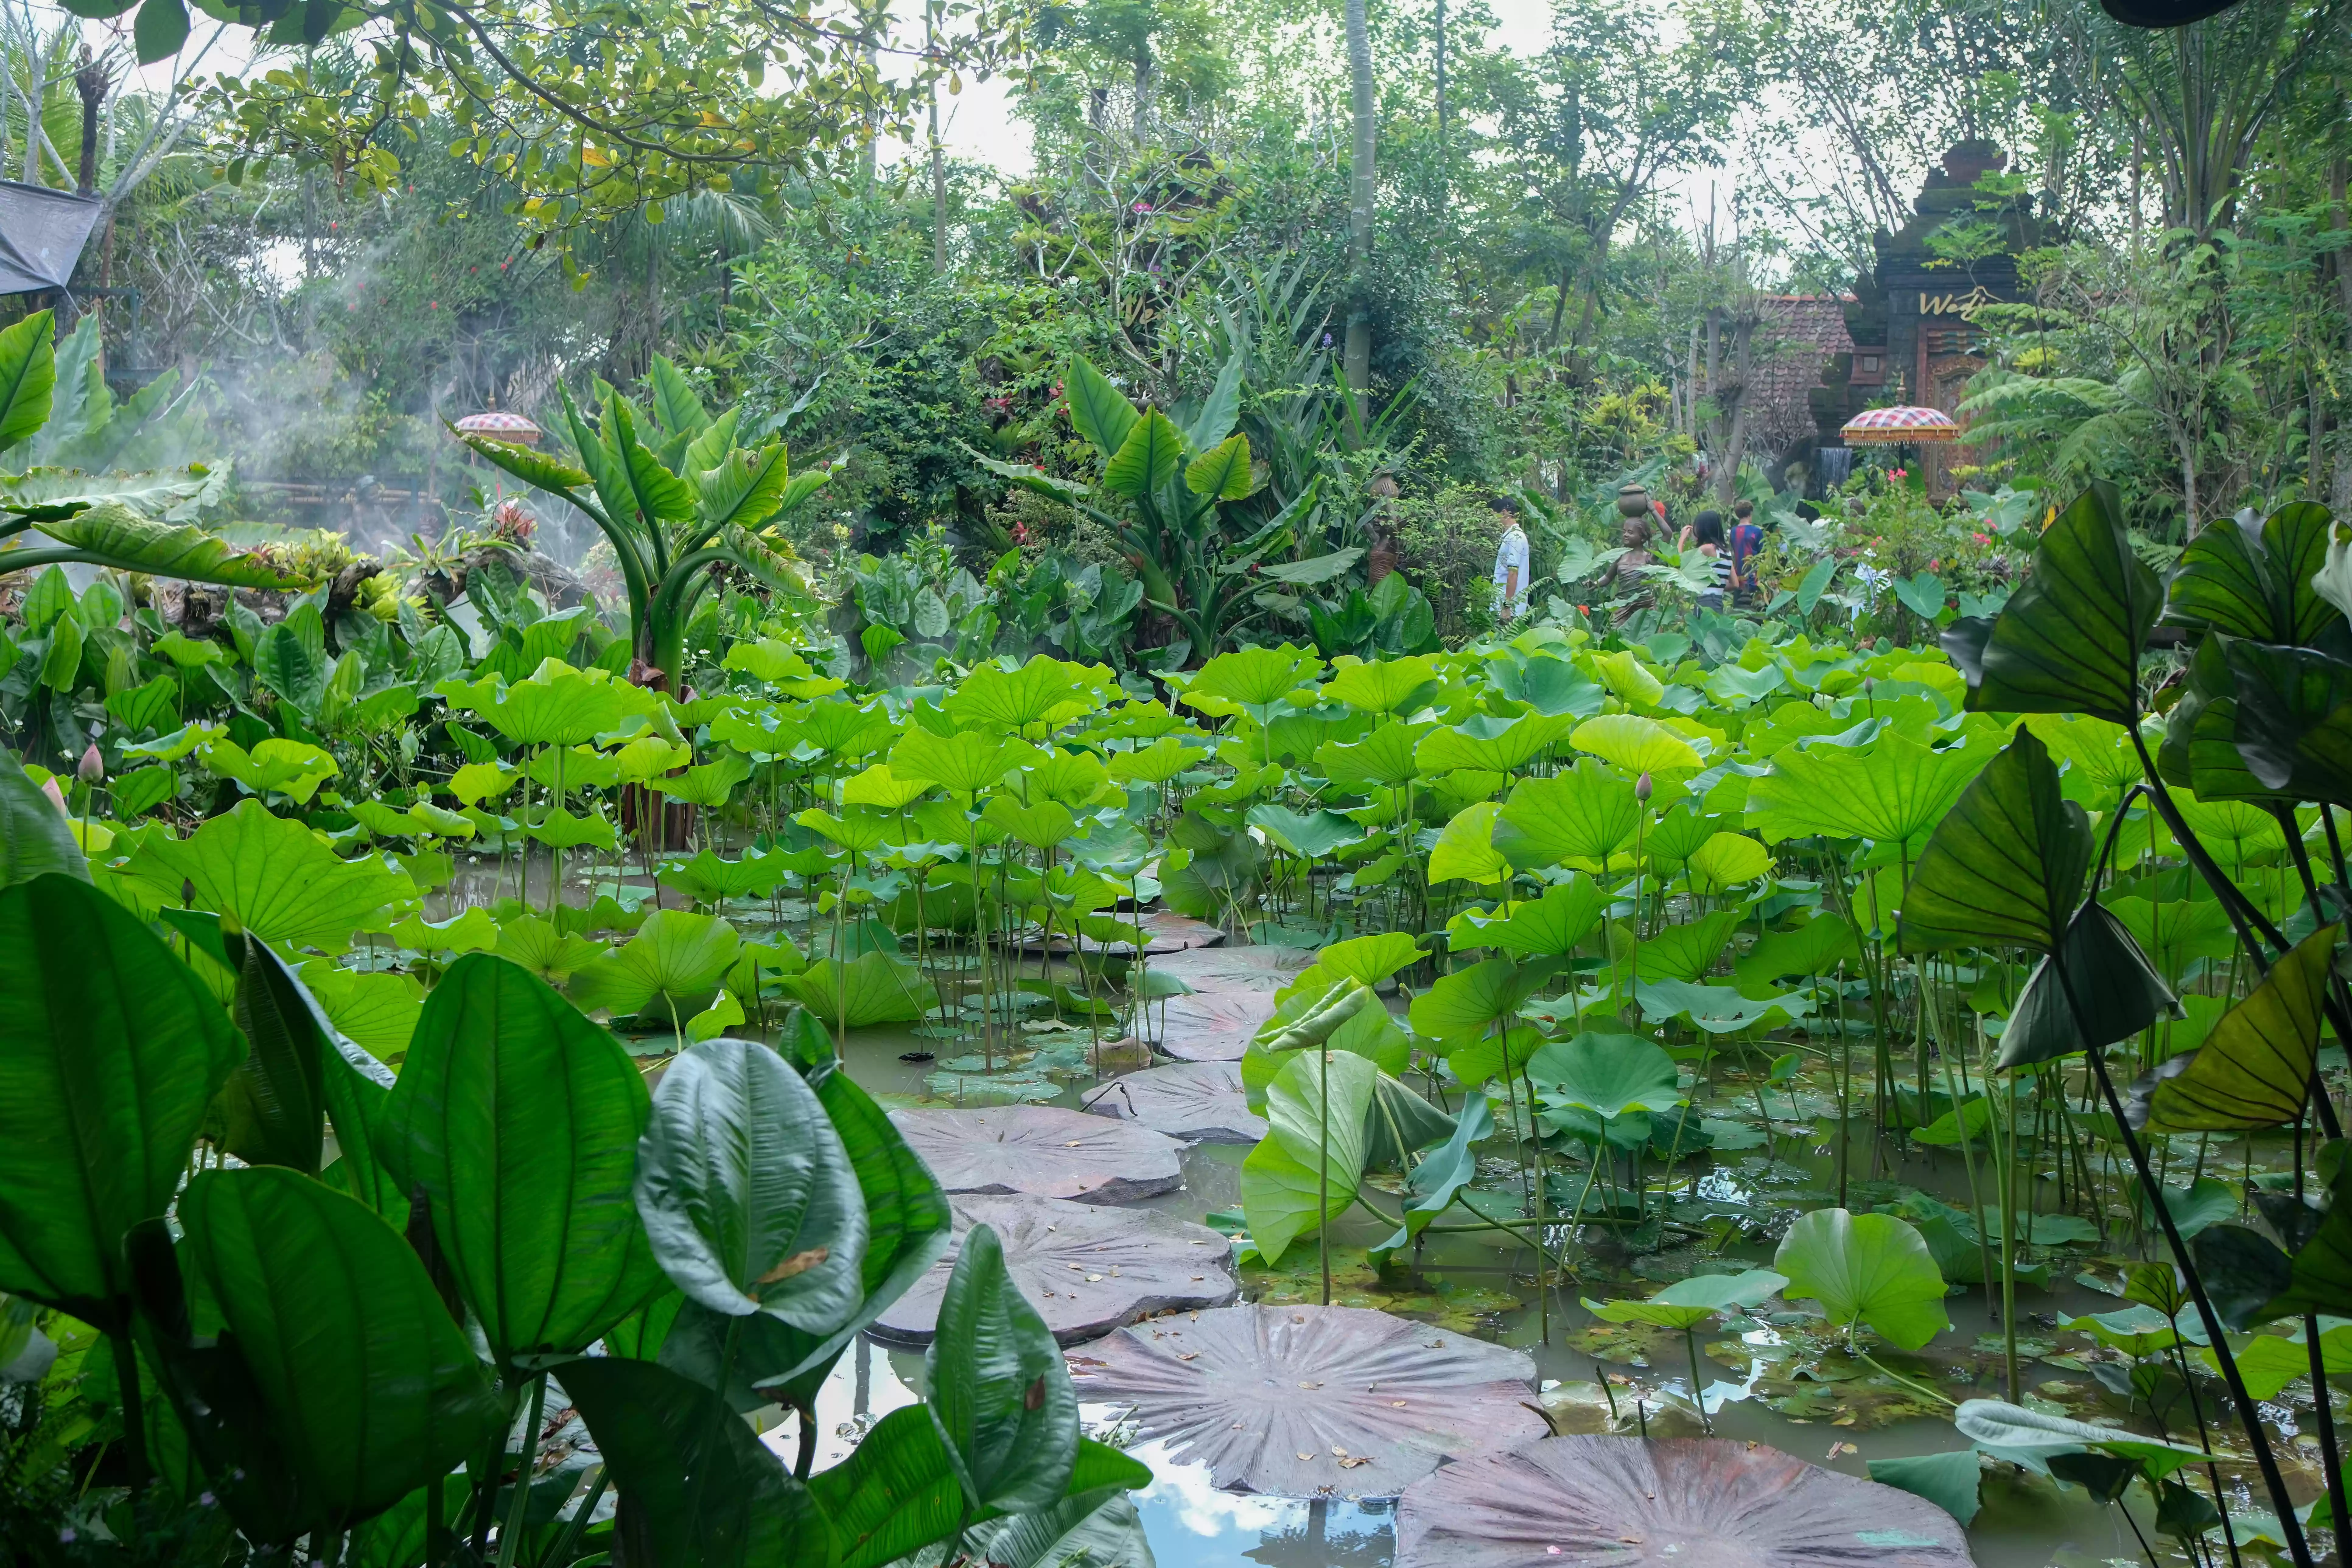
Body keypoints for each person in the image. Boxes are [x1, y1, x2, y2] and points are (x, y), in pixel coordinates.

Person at [1490, 493, 1531, 621]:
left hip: (1508, 612)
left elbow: (1513, 573)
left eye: (1493, 515)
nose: (1493, 520)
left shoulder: (1514, 538)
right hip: (1505, 609)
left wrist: (1507, 607)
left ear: (1504, 513)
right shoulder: (1512, 536)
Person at [1686, 509, 1727, 612]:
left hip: (1706, 600)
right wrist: (1715, 586)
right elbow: (1735, 584)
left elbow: (1682, 561)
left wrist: (1683, 538)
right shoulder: (1727, 552)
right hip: (1717, 601)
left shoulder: (1708, 549)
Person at [1728, 499, 1765, 605]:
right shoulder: (1757, 531)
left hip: (1737, 577)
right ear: (1750, 514)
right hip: (1754, 578)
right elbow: (1762, 553)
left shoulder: (1733, 532)